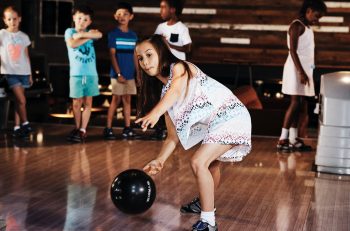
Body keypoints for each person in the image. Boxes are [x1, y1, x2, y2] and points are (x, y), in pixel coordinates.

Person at [135, 35, 251, 231]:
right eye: (140, 58)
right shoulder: (165, 95)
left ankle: (209, 222)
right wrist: (160, 160)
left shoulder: (179, 67)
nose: (145, 62)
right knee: (211, 165)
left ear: (161, 53)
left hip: (232, 116)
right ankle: (203, 203)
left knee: (198, 162)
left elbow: (177, 90)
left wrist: (155, 112)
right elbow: (172, 136)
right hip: (217, 123)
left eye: (149, 55)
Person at [277, 0, 327, 152]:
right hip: (296, 70)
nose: (317, 20)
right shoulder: (297, 25)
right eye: (316, 16)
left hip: (304, 70)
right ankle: (282, 139)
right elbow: (293, 51)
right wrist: (301, 72)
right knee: (295, 104)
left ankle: (293, 139)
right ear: (309, 10)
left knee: (300, 105)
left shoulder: (306, 27)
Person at [152, 0, 192, 140]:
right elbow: (153, 46)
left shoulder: (181, 28)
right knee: (163, 99)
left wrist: (169, 45)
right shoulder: (160, 27)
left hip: (177, 70)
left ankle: (180, 130)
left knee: (177, 100)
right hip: (163, 69)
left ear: (173, 10)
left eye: (163, 7)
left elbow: (187, 48)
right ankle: (161, 129)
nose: (161, 10)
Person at [64, 5, 102, 142]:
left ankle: (82, 129)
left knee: (88, 102)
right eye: (79, 18)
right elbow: (72, 44)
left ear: (90, 22)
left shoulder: (90, 32)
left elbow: (99, 34)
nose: (82, 21)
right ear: (74, 18)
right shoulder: (69, 31)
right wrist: (86, 36)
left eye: (85, 19)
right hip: (76, 74)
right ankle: (76, 127)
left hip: (91, 73)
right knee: (76, 102)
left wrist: (82, 35)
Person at [103, 2, 139, 140]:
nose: (122, 16)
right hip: (117, 75)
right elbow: (112, 55)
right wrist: (118, 74)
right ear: (115, 17)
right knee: (115, 99)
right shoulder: (113, 34)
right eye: (119, 14)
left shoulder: (133, 36)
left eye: (125, 14)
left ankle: (127, 128)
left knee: (127, 100)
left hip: (130, 75)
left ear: (131, 16)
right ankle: (108, 128)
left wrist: (137, 74)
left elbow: (135, 56)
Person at [0, 6, 33, 138]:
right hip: (10, 72)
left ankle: (17, 128)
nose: (12, 21)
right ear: (5, 20)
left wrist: (30, 73)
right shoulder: (2, 34)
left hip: (24, 72)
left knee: (18, 102)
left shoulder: (24, 36)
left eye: (15, 19)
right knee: (22, 100)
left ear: (19, 19)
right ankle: (26, 123)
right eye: (9, 19)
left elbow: (26, 55)